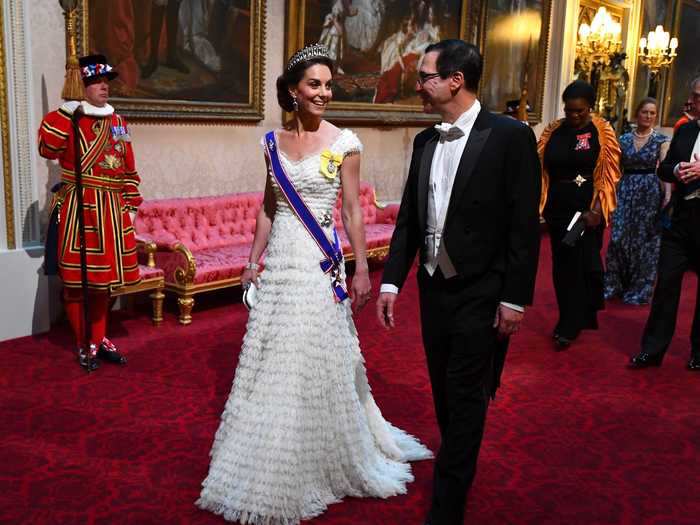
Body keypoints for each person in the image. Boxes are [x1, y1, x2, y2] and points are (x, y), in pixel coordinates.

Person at [196, 43, 432, 525]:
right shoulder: (271, 144)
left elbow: (350, 212)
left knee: (312, 354)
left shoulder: (344, 143)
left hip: (319, 265)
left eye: (328, 84)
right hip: (280, 262)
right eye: (314, 85)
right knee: (273, 356)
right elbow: (267, 208)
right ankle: (271, 452)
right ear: (293, 91)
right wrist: (251, 261)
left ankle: (317, 455)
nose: (324, 93)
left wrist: (364, 268)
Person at [376, 40, 541, 525]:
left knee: (467, 392)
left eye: (426, 75)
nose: (419, 83)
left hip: (481, 291)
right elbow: (409, 217)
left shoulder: (510, 136)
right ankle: (458, 459)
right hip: (433, 288)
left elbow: (522, 226)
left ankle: (448, 506)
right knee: (446, 392)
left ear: (455, 80)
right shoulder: (427, 140)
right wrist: (392, 284)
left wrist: (515, 298)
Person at [38, 54, 142, 370]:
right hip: (80, 209)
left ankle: (97, 339)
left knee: (104, 282)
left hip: (112, 209)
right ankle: (85, 340)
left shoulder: (119, 122)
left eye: (105, 81)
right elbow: (47, 149)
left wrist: (130, 204)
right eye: (95, 81)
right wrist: (66, 112)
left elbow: (128, 168)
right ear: (80, 85)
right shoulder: (67, 119)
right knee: (76, 282)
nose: (103, 87)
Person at [538, 80, 622, 349]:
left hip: (586, 212)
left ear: (590, 107)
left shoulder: (601, 132)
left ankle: (573, 321)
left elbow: (609, 174)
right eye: (569, 111)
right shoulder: (554, 131)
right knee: (563, 266)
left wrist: (597, 209)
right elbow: (540, 168)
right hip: (558, 210)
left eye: (580, 111)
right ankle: (569, 319)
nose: (574, 116)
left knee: (581, 266)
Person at [630, 75, 700, 370]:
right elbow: (664, 168)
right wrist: (678, 170)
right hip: (680, 222)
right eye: (695, 94)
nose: (696, 100)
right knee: (665, 288)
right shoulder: (685, 131)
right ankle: (653, 350)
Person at [604, 98, 671, 304]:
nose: (648, 116)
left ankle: (639, 289)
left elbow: (665, 170)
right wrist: (609, 194)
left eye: (652, 113)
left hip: (649, 192)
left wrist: (667, 196)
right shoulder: (622, 139)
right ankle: (614, 283)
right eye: (644, 112)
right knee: (619, 238)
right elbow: (615, 171)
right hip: (625, 190)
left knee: (645, 240)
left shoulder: (662, 140)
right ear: (637, 114)